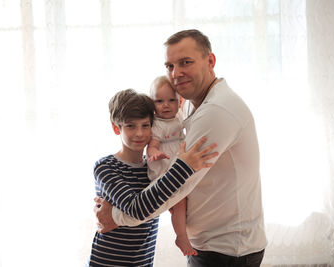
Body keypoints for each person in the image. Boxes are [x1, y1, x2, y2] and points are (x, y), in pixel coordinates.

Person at [94, 29, 267, 267]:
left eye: (185, 62)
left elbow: (179, 183)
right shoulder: (188, 109)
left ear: (210, 61)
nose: (176, 73)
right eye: (170, 66)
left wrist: (115, 218)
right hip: (210, 245)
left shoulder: (216, 112)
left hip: (226, 251)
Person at [87, 88, 218, 267]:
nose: (139, 133)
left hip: (143, 262)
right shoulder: (105, 167)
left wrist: (115, 219)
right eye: (130, 126)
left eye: (145, 125)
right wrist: (184, 167)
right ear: (116, 128)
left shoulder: (153, 169)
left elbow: (160, 202)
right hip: (106, 263)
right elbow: (137, 208)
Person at [146, 76, 197, 256]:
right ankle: (181, 236)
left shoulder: (178, 116)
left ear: (179, 101)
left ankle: (186, 231)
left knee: (186, 201)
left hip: (177, 162)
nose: (166, 105)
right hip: (164, 167)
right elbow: (151, 146)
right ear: (152, 104)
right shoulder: (157, 125)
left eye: (171, 100)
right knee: (179, 203)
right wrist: (155, 154)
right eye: (159, 101)